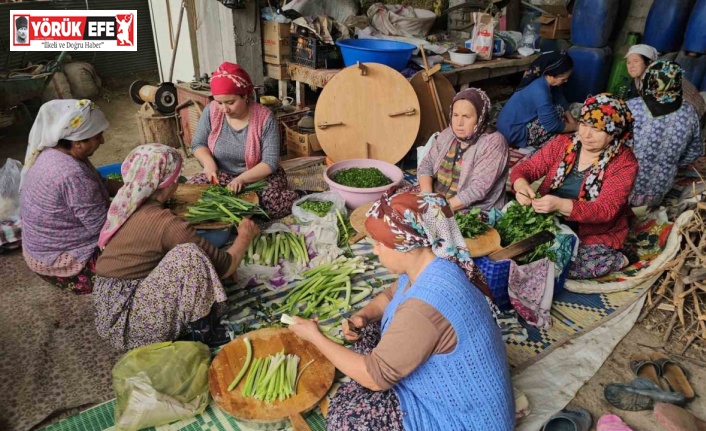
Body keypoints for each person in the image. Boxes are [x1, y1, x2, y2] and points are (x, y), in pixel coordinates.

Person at [288, 191, 515, 431]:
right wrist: (362, 315)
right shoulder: (438, 262)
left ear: (405, 246)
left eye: (379, 244)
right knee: (367, 334)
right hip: (461, 395)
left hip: (464, 421)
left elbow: (374, 378)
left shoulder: (425, 307)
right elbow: (391, 295)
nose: (375, 251)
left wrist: (315, 337)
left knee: (347, 419)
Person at [94, 144, 259, 351]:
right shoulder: (164, 222)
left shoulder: (126, 204)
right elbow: (226, 266)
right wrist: (244, 236)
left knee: (188, 254)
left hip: (109, 309)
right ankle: (203, 331)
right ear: (166, 183)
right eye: (176, 177)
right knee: (189, 256)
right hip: (128, 327)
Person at [511, 94, 639, 280]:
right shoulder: (564, 143)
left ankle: (621, 258)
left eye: (596, 129)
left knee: (561, 265)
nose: (586, 134)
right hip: (548, 217)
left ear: (613, 132)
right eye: (584, 124)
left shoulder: (625, 163)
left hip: (591, 230)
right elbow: (527, 168)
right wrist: (521, 184)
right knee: (518, 250)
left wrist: (560, 205)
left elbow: (605, 210)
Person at [20, 99, 118, 294]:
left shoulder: (57, 153)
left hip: (39, 250)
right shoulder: (72, 174)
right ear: (78, 141)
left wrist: (138, 187)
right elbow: (106, 229)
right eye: (98, 136)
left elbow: (103, 184)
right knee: (145, 249)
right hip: (62, 262)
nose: (103, 141)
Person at [187, 62, 298, 219]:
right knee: (191, 194)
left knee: (271, 204)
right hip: (222, 175)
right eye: (219, 102)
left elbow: (270, 162)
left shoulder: (265, 118)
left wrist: (241, 179)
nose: (224, 109)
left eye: (230, 102)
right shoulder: (211, 111)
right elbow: (198, 144)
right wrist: (209, 164)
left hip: (258, 177)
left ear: (245, 96)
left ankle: (298, 195)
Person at [417, 88, 509, 211]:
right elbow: (427, 164)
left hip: (472, 209)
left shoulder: (494, 143)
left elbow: (478, 189)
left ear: (480, 118)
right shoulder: (448, 134)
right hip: (437, 200)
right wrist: (426, 196)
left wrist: (441, 209)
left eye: (466, 116)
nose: (459, 123)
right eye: (455, 115)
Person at [627, 61, 703, 208]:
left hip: (624, 188)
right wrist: (669, 162)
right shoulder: (689, 112)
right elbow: (695, 151)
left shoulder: (633, 107)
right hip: (658, 192)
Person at [497, 51, 578, 149]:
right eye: (564, 78)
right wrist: (577, 127)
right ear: (554, 75)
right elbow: (552, 125)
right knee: (557, 114)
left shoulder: (544, 80)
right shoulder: (540, 91)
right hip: (513, 133)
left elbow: (559, 97)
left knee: (558, 109)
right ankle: (529, 142)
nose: (566, 80)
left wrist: (571, 120)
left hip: (506, 127)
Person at [625, 44, 706, 122]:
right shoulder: (640, 77)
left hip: (693, 115)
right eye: (628, 62)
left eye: (636, 61)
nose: (631, 66)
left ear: (649, 62)